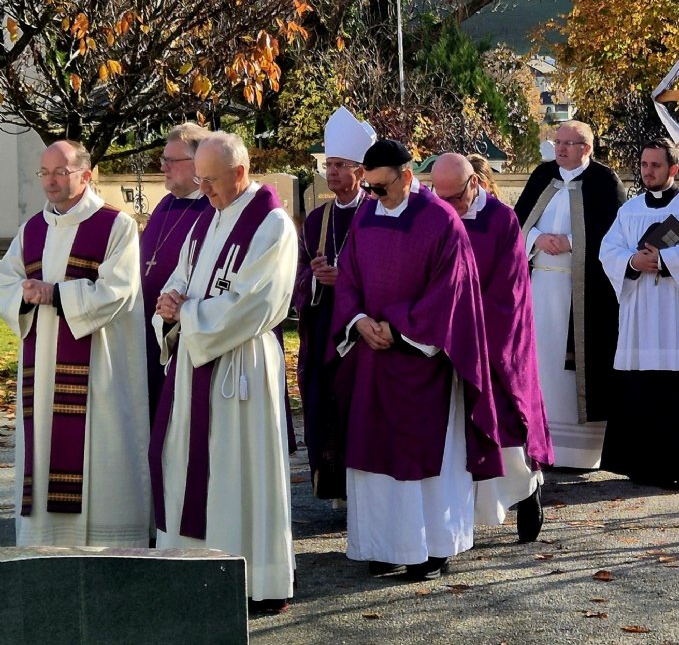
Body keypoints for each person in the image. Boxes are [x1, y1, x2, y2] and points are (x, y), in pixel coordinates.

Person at [331, 139, 503, 581]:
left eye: (381, 187)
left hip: (422, 362)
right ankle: (384, 545)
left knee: (425, 460)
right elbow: (347, 274)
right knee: (374, 455)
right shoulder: (367, 215)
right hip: (373, 358)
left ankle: (432, 548)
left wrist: (399, 327)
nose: (372, 196)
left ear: (407, 178)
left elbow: (453, 290)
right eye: (368, 188)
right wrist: (359, 320)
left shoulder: (441, 221)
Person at [150, 131, 297, 614]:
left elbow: (253, 304)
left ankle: (258, 577)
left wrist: (187, 315)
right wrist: (169, 305)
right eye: (200, 179)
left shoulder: (272, 225)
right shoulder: (207, 221)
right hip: (195, 363)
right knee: (190, 466)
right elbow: (181, 279)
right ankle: (196, 569)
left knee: (242, 471)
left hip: (242, 369)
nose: (204, 189)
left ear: (240, 172)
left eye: (211, 180)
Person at [0, 140, 150, 546]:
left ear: (85, 175)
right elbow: (5, 280)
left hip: (100, 367)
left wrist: (56, 294)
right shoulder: (32, 229)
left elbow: (119, 290)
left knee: (102, 450)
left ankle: (111, 544)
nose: (50, 181)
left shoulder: (114, 225)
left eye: (60, 172)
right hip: (42, 370)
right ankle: (43, 543)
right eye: (44, 172)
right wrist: (23, 295)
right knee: (44, 445)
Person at [432, 153, 553, 543]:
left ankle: (527, 490)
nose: (448, 207)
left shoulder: (501, 220)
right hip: (446, 341)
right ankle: (458, 517)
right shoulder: (435, 216)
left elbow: (511, 291)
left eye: (454, 199)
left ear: (475, 185)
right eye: (441, 197)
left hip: (492, 339)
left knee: (503, 423)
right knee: (454, 433)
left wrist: (469, 326)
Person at [599, 138, 679, 491]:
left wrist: (665, 261)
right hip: (643, 313)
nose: (647, 171)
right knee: (644, 389)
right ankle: (646, 464)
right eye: (643, 164)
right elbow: (609, 250)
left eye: (655, 165)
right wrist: (632, 262)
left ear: (673, 169)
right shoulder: (630, 211)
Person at [514, 121, 626, 469]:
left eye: (568, 143)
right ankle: (535, 444)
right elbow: (519, 222)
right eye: (557, 141)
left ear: (587, 148)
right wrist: (536, 240)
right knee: (540, 362)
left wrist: (574, 244)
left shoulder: (605, 182)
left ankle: (578, 454)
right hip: (540, 285)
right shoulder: (542, 175)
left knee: (574, 368)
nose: (560, 148)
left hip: (584, 294)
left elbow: (616, 236)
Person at [293, 106, 375, 503]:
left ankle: (367, 491)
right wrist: (316, 282)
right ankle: (338, 490)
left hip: (363, 332)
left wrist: (347, 281)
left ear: (360, 171)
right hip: (326, 328)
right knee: (326, 408)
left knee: (360, 411)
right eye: (329, 165)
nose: (332, 173)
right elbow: (297, 273)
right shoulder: (315, 219)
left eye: (341, 165)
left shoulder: (376, 213)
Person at [140, 123, 211, 424]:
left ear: (199, 163)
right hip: (147, 324)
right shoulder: (165, 205)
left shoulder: (213, 208)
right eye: (163, 160)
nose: (164, 167)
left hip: (184, 328)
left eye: (172, 160)